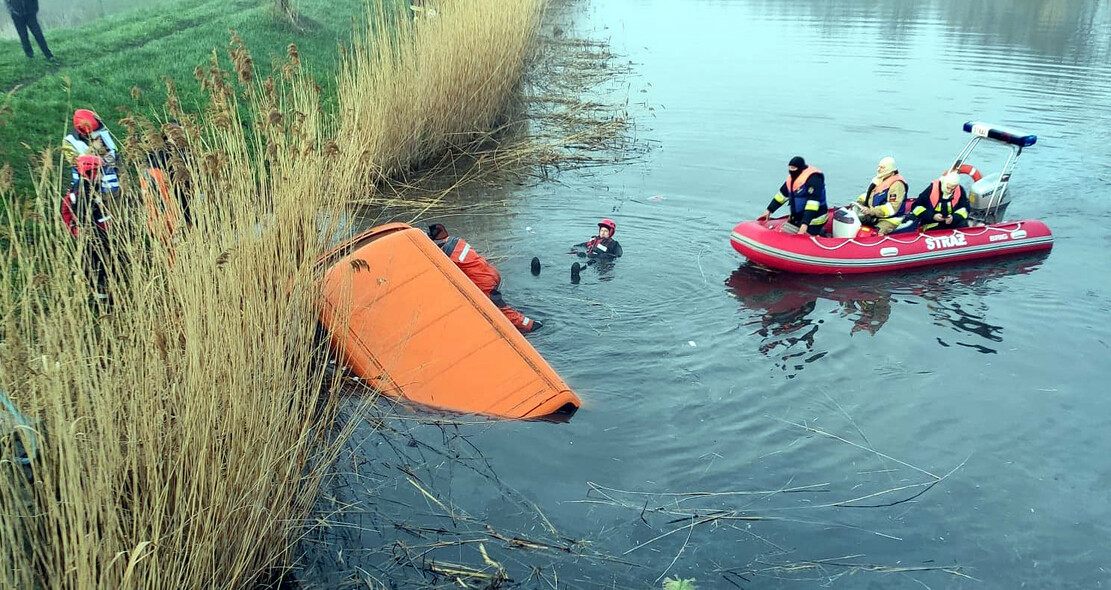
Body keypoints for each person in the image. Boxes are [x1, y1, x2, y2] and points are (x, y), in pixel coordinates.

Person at [427, 223, 542, 333]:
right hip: (491, 273)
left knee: (500, 310)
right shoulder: (456, 240)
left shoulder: (442, 256)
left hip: (483, 282)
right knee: (497, 304)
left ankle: (531, 326)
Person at [60, 155, 115, 300]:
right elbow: (86, 220)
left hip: (97, 234)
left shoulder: (88, 187)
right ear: (90, 172)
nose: (102, 175)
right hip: (94, 237)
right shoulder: (84, 193)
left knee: (99, 265)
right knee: (98, 269)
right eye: (99, 171)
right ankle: (103, 303)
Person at [757, 156, 828, 236]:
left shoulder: (814, 180)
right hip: (797, 218)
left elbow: (812, 205)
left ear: (800, 168)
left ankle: (821, 235)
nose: (791, 171)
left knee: (804, 237)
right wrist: (769, 210)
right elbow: (781, 195)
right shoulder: (792, 179)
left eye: (793, 168)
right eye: (790, 168)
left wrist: (804, 225)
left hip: (815, 219)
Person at [63, 109, 120, 196]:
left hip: (110, 183)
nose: (99, 133)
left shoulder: (102, 133)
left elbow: (114, 152)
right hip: (86, 186)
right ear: (85, 131)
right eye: (96, 131)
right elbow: (74, 162)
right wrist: (93, 148)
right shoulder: (69, 142)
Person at [897, 170, 970, 233]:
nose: (950, 191)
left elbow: (965, 210)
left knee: (963, 224)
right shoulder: (932, 189)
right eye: (948, 187)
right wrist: (932, 216)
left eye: (953, 189)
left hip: (951, 223)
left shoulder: (959, 191)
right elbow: (916, 207)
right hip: (932, 223)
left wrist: (954, 218)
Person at [850, 156, 908, 235]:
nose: (878, 169)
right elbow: (869, 196)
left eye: (882, 167)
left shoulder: (897, 185)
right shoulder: (879, 179)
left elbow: (892, 207)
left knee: (875, 233)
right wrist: (859, 202)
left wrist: (872, 211)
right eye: (879, 167)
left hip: (890, 219)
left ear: (889, 169)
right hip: (875, 215)